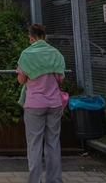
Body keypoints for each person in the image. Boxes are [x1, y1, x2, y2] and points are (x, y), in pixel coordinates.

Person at [16, 24, 66, 183]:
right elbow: (61, 79)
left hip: (34, 105)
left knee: (34, 144)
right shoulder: (55, 53)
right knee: (53, 143)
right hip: (54, 103)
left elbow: (21, 80)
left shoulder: (27, 54)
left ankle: (34, 180)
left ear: (30, 38)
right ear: (45, 37)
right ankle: (55, 180)